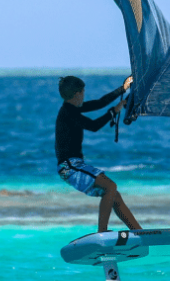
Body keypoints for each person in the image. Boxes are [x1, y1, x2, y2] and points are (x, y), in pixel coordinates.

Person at [55, 75, 142, 232]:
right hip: (69, 166)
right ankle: (102, 233)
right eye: (83, 93)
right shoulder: (68, 113)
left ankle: (139, 231)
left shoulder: (72, 107)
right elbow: (93, 126)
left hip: (75, 165)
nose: (84, 95)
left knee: (114, 194)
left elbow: (100, 103)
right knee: (110, 186)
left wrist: (123, 89)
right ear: (77, 94)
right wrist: (114, 111)